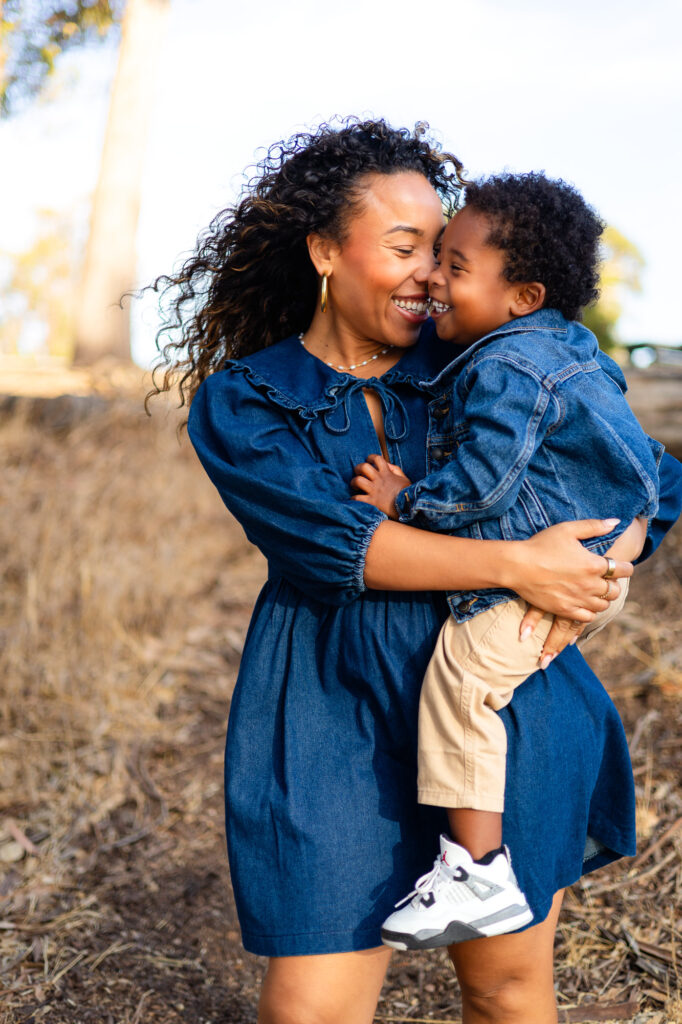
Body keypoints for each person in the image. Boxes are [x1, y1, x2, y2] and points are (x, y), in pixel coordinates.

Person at [147, 119, 682, 1024]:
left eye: (441, 250)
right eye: (404, 247)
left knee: (508, 991)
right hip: (330, 711)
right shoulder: (246, 400)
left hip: (504, 701)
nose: (431, 273)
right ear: (325, 250)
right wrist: (524, 563)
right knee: (310, 1007)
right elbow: (336, 547)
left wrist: (601, 562)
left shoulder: (491, 354)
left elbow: (651, 473)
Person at [350, 172, 663, 951]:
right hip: (589, 562)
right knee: (479, 684)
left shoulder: (506, 367)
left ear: (522, 296)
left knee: (461, 679)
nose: (437, 279)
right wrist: (625, 539)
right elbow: (647, 469)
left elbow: (486, 482)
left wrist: (405, 502)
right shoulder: (568, 349)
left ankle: (476, 867)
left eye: (455, 266)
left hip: (553, 572)